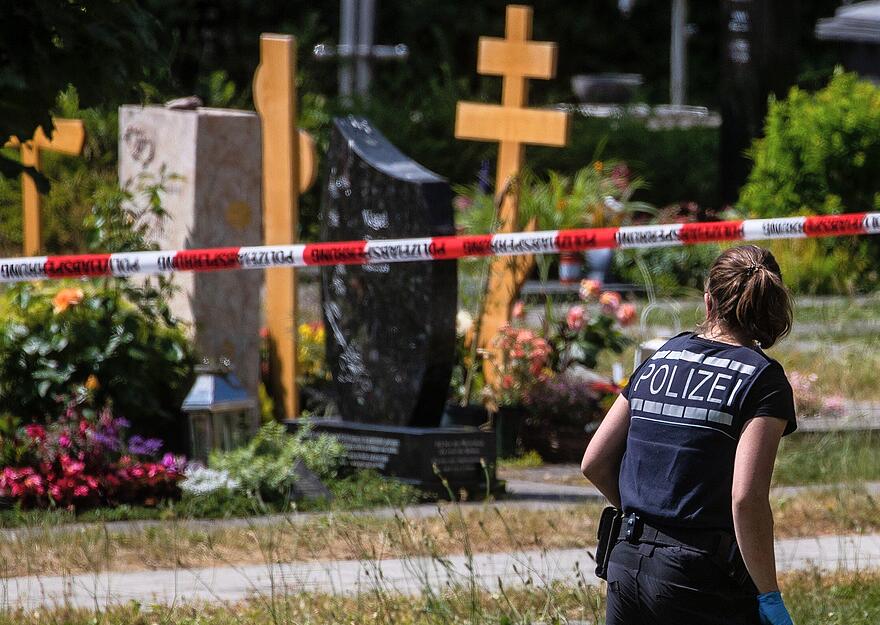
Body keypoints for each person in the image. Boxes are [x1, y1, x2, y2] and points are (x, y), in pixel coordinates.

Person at [581, 245, 797, 625]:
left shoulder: (662, 357)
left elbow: (594, 462)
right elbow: (746, 498)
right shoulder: (763, 379)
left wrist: (647, 519)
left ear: (709, 301)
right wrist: (768, 594)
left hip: (625, 561)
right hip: (696, 577)